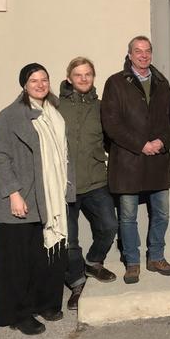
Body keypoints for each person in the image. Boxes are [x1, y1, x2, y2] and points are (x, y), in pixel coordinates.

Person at [0, 63, 75, 335]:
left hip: (50, 197)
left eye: (44, 79)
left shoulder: (55, 114)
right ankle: (19, 313)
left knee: (48, 257)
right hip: (22, 197)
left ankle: (46, 303)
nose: (40, 84)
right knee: (17, 262)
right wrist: (13, 192)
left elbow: (63, 155)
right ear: (24, 85)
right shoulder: (10, 115)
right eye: (33, 80)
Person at [101, 36, 170, 284]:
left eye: (147, 51)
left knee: (162, 214)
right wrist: (140, 144)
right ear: (130, 55)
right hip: (128, 161)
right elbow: (111, 124)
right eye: (138, 51)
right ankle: (132, 262)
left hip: (157, 159)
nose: (143, 55)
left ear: (151, 54)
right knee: (128, 216)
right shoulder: (115, 83)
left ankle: (156, 256)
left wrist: (162, 142)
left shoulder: (162, 83)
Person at [59, 57, 119, 311]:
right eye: (78, 75)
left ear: (94, 77)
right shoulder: (55, 105)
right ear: (69, 77)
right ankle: (76, 283)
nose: (83, 79)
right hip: (65, 182)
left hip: (96, 179)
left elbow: (112, 138)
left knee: (108, 225)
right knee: (70, 239)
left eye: (88, 75)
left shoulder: (101, 106)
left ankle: (94, 262)